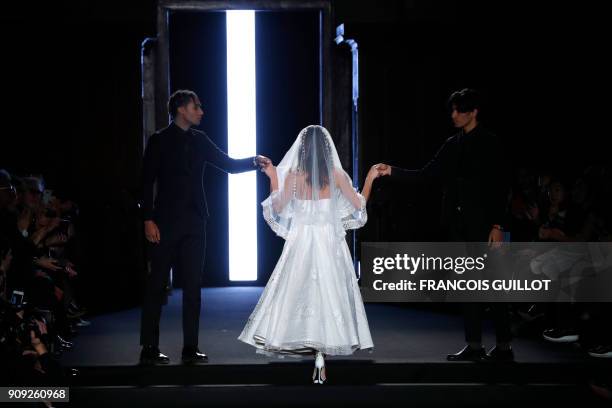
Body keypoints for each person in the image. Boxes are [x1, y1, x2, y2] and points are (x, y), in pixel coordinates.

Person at [375, 88, 513, 362]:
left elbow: (502, 187)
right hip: (459, 224)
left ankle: (504, 347)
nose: (454, 115)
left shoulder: (490, 142)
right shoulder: (453, 144)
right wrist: (392, 171)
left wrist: (499, 224)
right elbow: (427, 174)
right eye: (452, 110)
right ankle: (474, 345)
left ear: (473, 112)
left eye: (459, 110)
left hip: (487, 226)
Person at [238, 125, 377, 384]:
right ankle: (322, 350)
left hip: (302, 241)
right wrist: (369, 178)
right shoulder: (337, 175)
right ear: (327, 149)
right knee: (328, 293)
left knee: (297, 291)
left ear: (302, 149)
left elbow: (277, 207)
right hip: (328, 243)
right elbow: (359, 207)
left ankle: (307, 344)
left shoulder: (293, 176)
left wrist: (272, 176)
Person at [140, 89, 271, 365]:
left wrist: (254, 162)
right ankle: (149, 347)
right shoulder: (159, 141)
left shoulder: (199, 140)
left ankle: (190, 347)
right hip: (163, 223)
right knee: (156, 285)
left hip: (195, 222)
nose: (201, 111)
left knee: (193, 287)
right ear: (181, 110)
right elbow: (145, 181)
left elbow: (228, 165)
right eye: (196, 107)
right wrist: (147, 219)